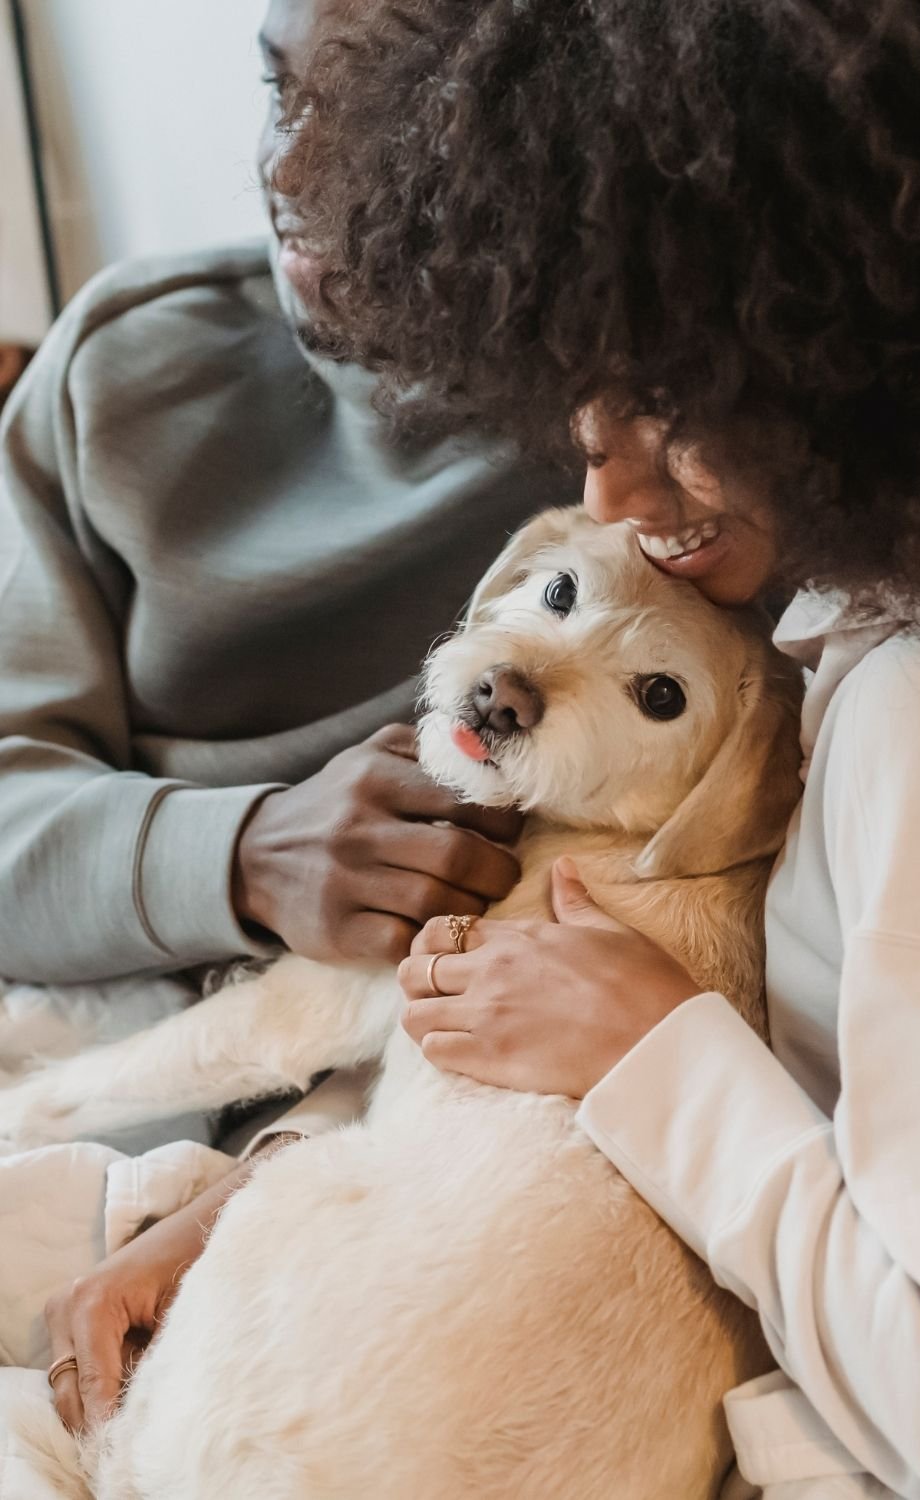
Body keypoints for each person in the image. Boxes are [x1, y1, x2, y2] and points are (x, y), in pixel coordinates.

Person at [278, 4, 920, 1499]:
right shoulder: (858, 633)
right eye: (586, 385)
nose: (601, 472)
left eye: (673, 398)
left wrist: (654, 1053)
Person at [0, 0, 571, 1444]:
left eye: (377, 121)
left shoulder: (633, 459)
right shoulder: (124, 368)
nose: (290, 170)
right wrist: (247, 850)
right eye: (275, 92)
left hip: (371, 1137)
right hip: (82, 1036)